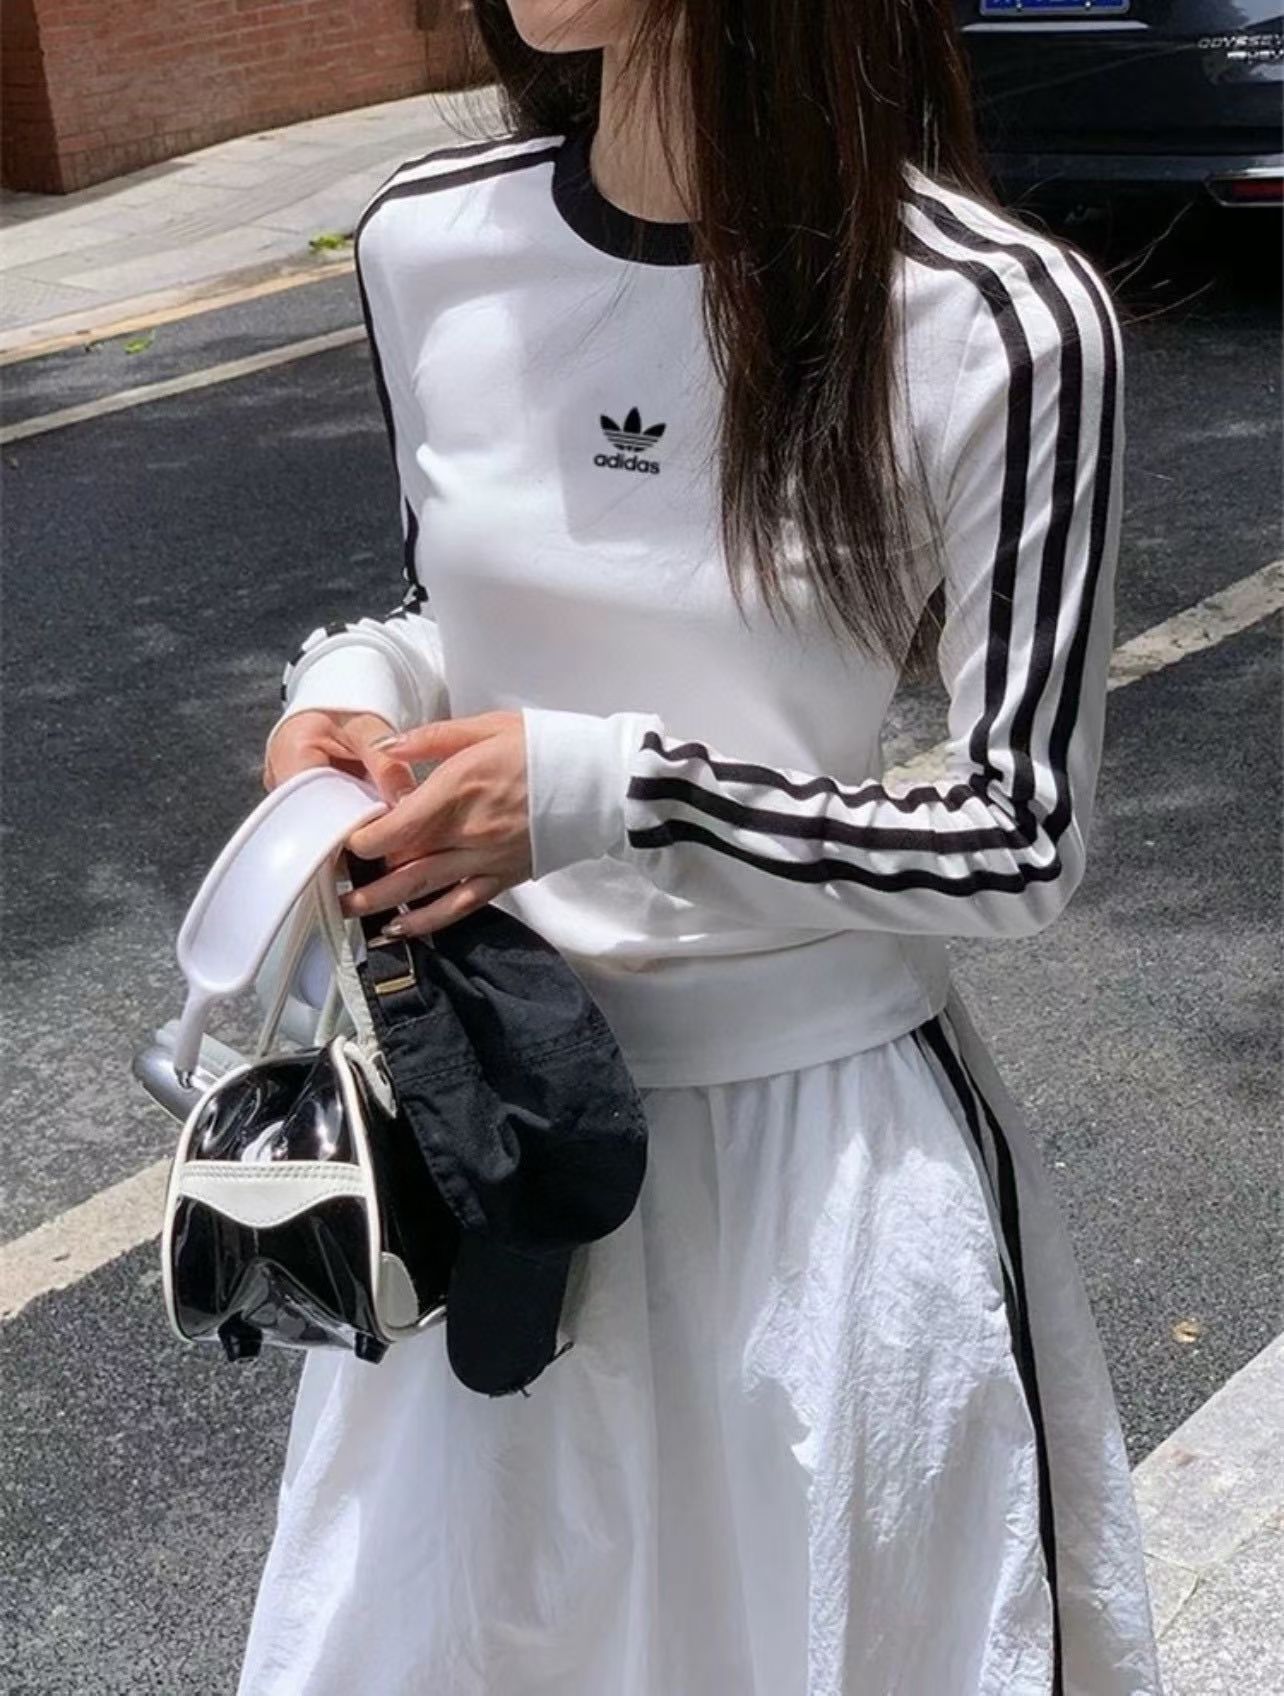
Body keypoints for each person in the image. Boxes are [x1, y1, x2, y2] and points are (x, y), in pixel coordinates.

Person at [241, 1, 1164, 1691]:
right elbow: (469, 603)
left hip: (819, 1181)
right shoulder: (429, 242)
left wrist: (621, 793)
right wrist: (356, 687)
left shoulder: (995, 318)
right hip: (491, 1143)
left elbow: (1021, 838)